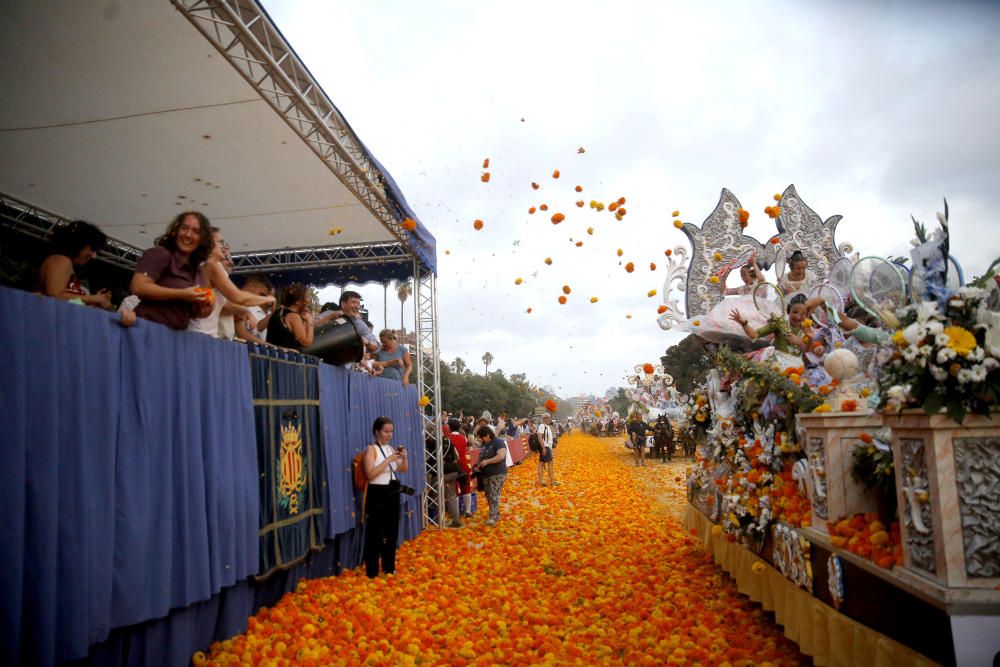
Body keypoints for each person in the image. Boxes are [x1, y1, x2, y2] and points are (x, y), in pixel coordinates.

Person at [131, 211, 215, 329]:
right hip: (146, 327)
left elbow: (190, 312)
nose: (188, 235)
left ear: (202, 239)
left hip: (175, 337)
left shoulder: (198, 271)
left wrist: (204, 310)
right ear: (175, 231)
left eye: (196, 231)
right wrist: (182, 294)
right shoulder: (160, 253)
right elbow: (138, 286)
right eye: (184, 228)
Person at [187, 228, 274, 338]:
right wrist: (268, 298)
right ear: (208, 244)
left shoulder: (212, 266)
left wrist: (242, 311)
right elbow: (238, 297)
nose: (224, 246)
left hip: (207, 335)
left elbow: (223, 304)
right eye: (220, 242)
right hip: (200, 334)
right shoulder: (211, 265)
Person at [362, 416, 409, 577]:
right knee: (374, 533)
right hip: (377, 493)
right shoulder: (371, 450)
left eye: (391, 432)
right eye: (385, 431)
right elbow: (370, 473)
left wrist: (404, 457)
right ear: (377, 432)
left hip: (392, 492)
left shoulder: (390, 448)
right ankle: (372, 570)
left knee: (392, 531)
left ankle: (389, 567)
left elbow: (402, 469)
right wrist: (388, 460)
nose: (389, 435)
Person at [35, 220, 112, 308]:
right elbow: (54, 297)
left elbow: (69, 303)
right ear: (79, 243)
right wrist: (94, 298)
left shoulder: (66, 264)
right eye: (93, 249)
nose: (94, 256)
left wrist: (94, 304)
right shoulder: (61, 260)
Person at [322, 290, 380, 362]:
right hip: (323, 360)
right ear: (343, 304)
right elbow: (312, 326)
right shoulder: (329, 314)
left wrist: (366, 342)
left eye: (358, 303)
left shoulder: (359, 324)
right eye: (353, 302)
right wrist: (329, 318)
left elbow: (375, 347)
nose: (356, 306)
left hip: (344, 366)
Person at [473, 426, 508, 526]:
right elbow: (481, 456)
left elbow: (501, 456)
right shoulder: (484, 444)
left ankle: (493, 516)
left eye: (482, 437)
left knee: (493, 494)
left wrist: (487, 462)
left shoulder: (498, 442)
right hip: (486, 474)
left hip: (497, 473)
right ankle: (495, 513)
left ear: (488, 435)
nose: (481, 440)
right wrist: (476, 465)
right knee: (488, 494)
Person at [266, 283, 314, 351]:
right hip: (286, 359)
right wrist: (310, 321)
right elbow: (306, 343)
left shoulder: (278, 312)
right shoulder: (293, 316)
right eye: (306, 297)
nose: (309, 300)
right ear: (297, 301)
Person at [235, 274, 275, 344]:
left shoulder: (270, 313)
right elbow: (243, 333)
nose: (271, 298)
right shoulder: (247, 308)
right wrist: (267, 345)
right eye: (263, 295)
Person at [537, 412, 559, 486]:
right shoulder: (542, 426)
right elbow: (539, 437)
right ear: (543, 419)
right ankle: (552, 482)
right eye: (546, 417)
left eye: (549, 417)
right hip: (545, 447)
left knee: (541, 463)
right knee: (550, 463)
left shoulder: (547, 426)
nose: (548, 419)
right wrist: (543, 448)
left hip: (546, 447)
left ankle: (540, 482)